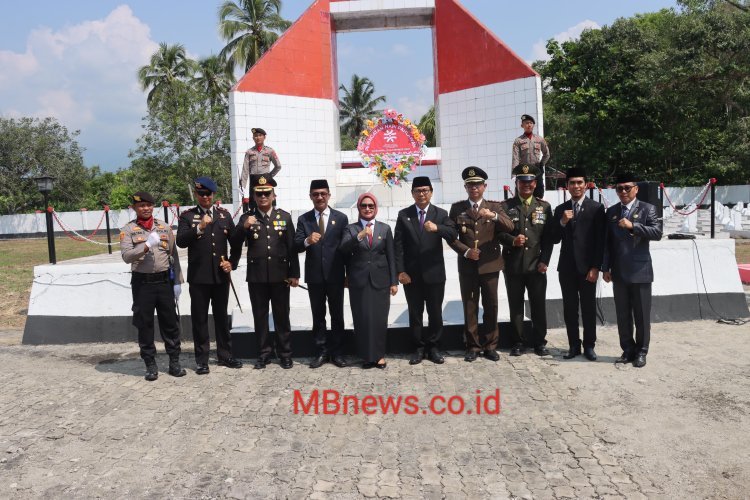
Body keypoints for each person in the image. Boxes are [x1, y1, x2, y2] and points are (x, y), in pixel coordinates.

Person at [230, 174, 300, 369]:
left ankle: (285, 353)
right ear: (254, 196)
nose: (263, 197)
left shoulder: (284, 217)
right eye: (259, 194)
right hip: (257, 276)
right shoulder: (247, 218)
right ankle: (264, 353)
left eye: (266, 193)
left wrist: (294, 274)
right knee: (259, 317)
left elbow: (292, 248)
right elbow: (234, 243)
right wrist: (243, 227)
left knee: (281, 315)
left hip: (280, 276)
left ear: (273, 195)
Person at [176, 177, 243, 375]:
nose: (205, 197)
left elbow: (236, 242)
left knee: (222, 317)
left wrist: (233, 262)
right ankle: (202, 360)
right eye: (201, 194)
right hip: (199, 278)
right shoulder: (187, 217)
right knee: (200, 319)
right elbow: (180, 241)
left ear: (214, 195)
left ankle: (225, 355)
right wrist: (199, 228)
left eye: (208, 194)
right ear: (196, 195)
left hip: (220, 277)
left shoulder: (224, 215)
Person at [448, 167, 514, 362]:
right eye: (470, 185)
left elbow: (510, 226)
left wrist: (492, 216)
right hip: (468, 266)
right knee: (470, 306)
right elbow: (451, 237)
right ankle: (473, 346)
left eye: (477, 185)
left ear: (484, 186)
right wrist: (466, 251)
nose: (474, 188)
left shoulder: (495, 206)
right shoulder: (457, 208)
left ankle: (491, 345)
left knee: (491, 305)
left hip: (490, 264)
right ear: (465, 187)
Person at [120, 191, 186, 381]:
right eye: (141, 206)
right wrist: (146, 246)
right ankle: (150, 365)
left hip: (164, 282)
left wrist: (177, 281)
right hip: (143, 284)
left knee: (170, 324)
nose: (146, 208)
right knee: (145, 324)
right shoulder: (128, 230)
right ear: (134, 208)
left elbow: (173, 255)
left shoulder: (164, 227)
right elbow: (126, 257)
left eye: (149, 205)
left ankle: (174, 362)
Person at [602, 172, 663, 368]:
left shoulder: (648, 209)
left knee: (642, 315)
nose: (623, 191)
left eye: (627, 187)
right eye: (619, 188)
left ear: (636, 189)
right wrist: (605, 268)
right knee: (622, 314)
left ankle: (641, 352)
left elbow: (657, 232)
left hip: (640, 271)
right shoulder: (611, 212)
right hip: (619, 271)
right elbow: (607, 244)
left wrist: (633, 226)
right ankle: (627, 349)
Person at [395, 176, 457, 365]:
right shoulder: (404, 215)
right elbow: (398, 246)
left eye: (425, 190)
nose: (421, 194)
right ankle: (418, 347)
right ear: (412, 193)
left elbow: (453, 234)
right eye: (418, 191)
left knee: (435, 312)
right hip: (411, 276)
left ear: (431, 192)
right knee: (415, 313)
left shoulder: (440, 213)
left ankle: (434, 347)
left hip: (434, 273)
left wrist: (437, 228)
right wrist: (400, 271)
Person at [550, 168, 605, 361]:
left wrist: (596, 267)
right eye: (572, 183)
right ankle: (574, 345)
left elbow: (601, 241)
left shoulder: (596, 208)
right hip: (566, 268)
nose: (576, 186)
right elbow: (554, 238)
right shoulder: (560, 209)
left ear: (586, 184)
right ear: (567, 187)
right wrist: (562, 222)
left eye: (580, 182)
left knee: (589, 308)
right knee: (570, 308)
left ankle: (589, 345)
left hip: (588, 268)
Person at [499, 164, 554, 357]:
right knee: (516, 306)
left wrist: (545, 260)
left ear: (535, 183)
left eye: (529, 181)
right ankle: (518, 342)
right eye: (522, 181)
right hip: (513, 265)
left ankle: (539, 342)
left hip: (536, 265)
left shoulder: (544, 207)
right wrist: (512, 240)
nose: (526, 185)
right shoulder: (505, 207)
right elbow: (498, 234)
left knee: (538, 305)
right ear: (517, 183)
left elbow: (548, 238)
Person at [294, 179, 349, 368]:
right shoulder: (304, 219)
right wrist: (308, 240)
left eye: (323, 194)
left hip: (335, 275)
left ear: (329, 195)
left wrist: (347, 274)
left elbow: (346, 249)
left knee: (337, 315)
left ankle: (338, 352)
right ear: (310, 196)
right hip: (315, 276)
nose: (319, 197)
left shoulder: (341, 218)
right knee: (318, 316)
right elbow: (296, 245)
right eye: (316, 194)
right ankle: (321, 351)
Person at [340, 193, 398, 369]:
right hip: (359, 281)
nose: (367, 209)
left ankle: (379, 355)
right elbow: (342, 249)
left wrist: (394, 281)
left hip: (381, 280)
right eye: (364, 206)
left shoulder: (385, 228)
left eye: (370, 206)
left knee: (379, 318)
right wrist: (360, 235)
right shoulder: (351, 229)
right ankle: (366, 356)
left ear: (375, 208)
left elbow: (391, 256)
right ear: (359, 208)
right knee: (363, 318)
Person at [239, 127, 281, 211]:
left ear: (264, 137)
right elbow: (245, 170)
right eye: (255, 136)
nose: (257, 137)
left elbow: (278, 166)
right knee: (254, 204)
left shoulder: (269, 151)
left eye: (260, 135)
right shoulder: (249, 152)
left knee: (269, 201)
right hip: (254, 179)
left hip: (266, 180)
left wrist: (269, 176)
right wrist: (242, 186)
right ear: (253, 138)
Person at [511, 114, 550, 198]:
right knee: (521, 194)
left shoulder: (539, 139)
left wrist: (541, 164)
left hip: (536, 171)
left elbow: (547, 154)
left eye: (531, 123)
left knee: (538, 194)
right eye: (526, 123)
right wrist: (514, 174)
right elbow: (515, 158)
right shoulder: (518, 141)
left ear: (533, 125)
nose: (529, 125)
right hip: (523, 171)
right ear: (522, 125)